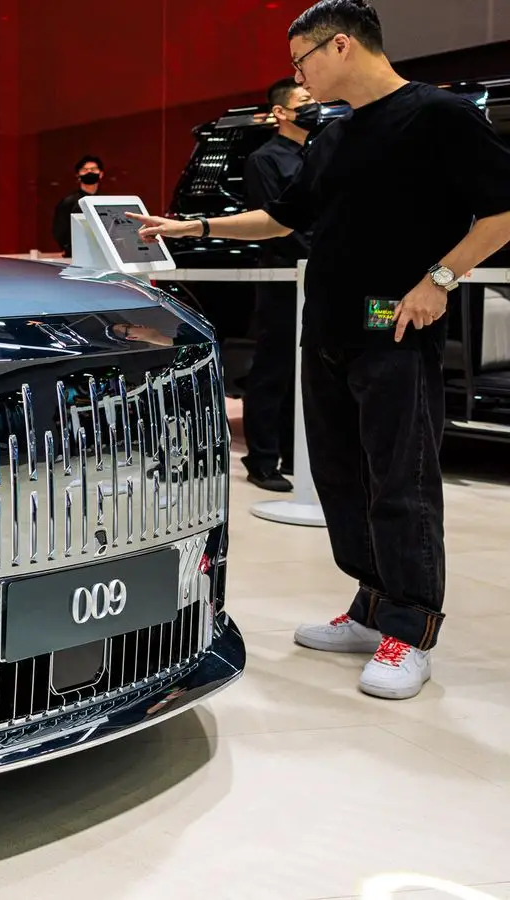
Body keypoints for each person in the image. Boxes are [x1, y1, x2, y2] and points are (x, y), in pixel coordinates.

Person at [130, 0, 510, 700]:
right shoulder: (334, 135)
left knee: (401, 481)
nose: (297, 75)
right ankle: (371, 607)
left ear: (340, 46)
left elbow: (502, 210)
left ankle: (411, 628)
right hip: (329, 331)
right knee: (342, 478)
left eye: (300, 59)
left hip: (396, 328)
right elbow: (282, 218)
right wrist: (190, 227)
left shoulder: (439, 116)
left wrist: (440, 279)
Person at [241, 78, 319, 492]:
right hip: (284, 274)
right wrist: (319, 254)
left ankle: (296, 454)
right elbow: (275, 223)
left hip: (316, 276)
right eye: (304, 100)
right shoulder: (265, 160)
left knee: (308, 370)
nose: (313, 106)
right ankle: (262, 460)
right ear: (281, 112)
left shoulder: (318, 154)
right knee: (273, 368)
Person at [52, 155, 104, 254]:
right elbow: (60, 231)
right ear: (78, 175)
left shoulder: (105, 201)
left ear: (101, 174)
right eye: (85, 170)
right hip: (75, 253)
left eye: (93, 169)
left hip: (103, 252)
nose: (89, 172)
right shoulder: (68, 202)